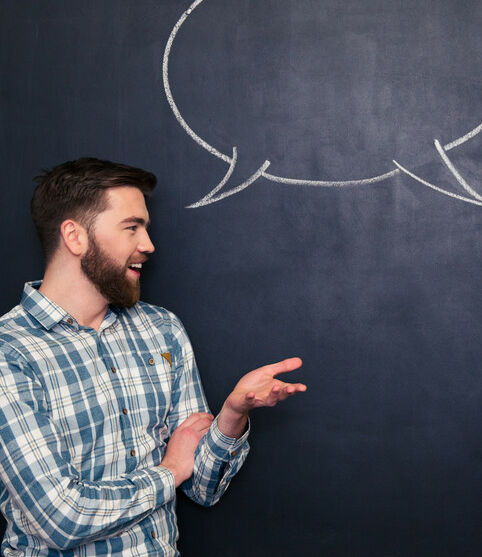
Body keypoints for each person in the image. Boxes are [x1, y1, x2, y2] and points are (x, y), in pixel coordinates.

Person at [0, 157, 307, 556]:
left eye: (145, 227)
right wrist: (169, 471)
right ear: (74, 237)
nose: (148, 245)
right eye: (132, 228)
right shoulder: (11, 351)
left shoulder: (161, 329)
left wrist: (232, 415)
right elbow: (62, 518)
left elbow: (202, 488)